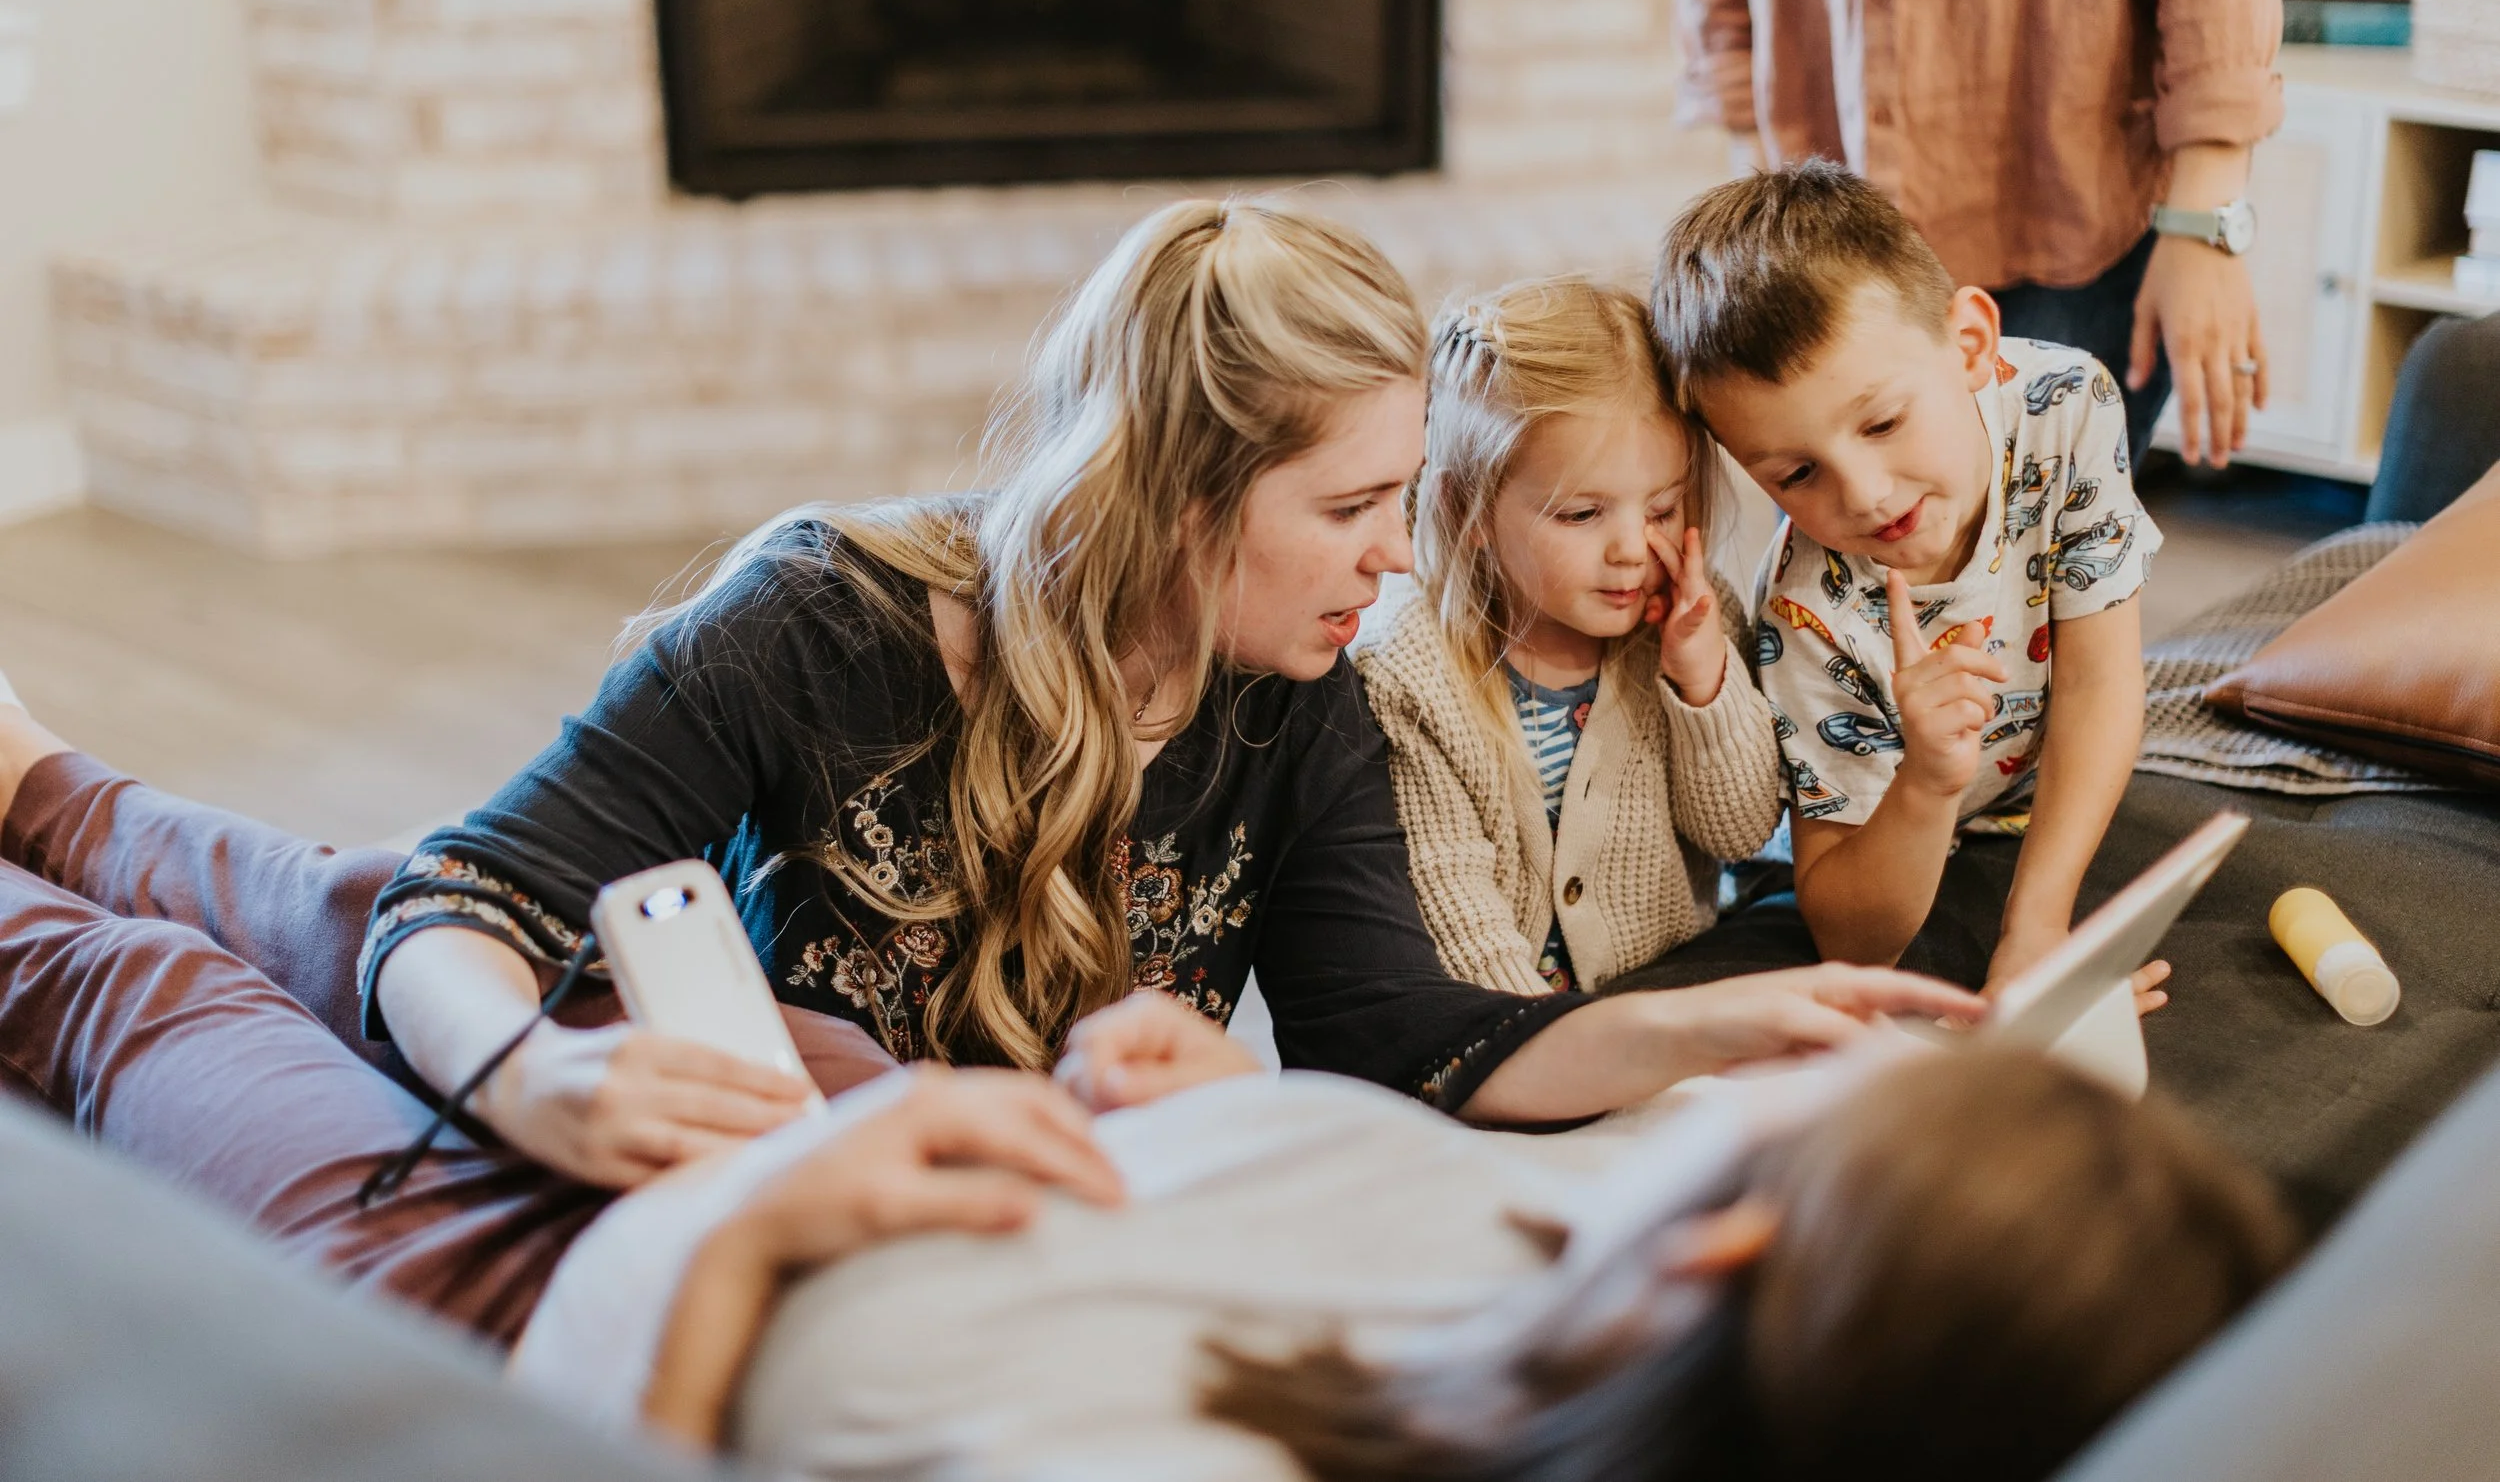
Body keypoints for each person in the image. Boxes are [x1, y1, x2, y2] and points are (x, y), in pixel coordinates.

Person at [0, 689, 1982, 1350]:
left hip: (575, 1288)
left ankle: (46, 828)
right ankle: (55, 784)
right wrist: (1188, 1103)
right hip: (868, 1113)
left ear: (1733, 1242)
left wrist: (755, 1228)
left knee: (135, 994)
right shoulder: (1544, 1268)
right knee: (387, 901)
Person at [515, 994, 2294, 1481]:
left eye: (1855, 1090)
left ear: (1721, 1259)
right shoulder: (1647, 1342)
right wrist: (1242, 1108)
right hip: (971, 1136)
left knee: (237, 956)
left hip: (624, 1306)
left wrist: (747, 1250)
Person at [1654, 162, 2167, 999]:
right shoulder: (1807, 612)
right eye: (1796, 474)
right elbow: (1848, 938)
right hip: (1891, 838)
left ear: (1969, 343)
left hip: (2030, 799)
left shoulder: (2068, 405)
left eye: (1884, 421)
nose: (1864, 495)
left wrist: (2036, 927)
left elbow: (2101, 676)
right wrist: (1928, 776)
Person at [1637, 0, 2283, 472]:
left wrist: (2206, 224)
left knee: (2038, 552)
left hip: (2071, 239)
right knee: (1849, 559)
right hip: (1837, 255)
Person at [1357, 277, 1784, 996]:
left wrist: (1704, 681)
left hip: (1670, 995)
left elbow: (1741, 832)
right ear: (1472, 510)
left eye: (1661, 507)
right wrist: (1552, 1053)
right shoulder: (1409, 668)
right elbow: (1455, 910)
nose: (1630, 549)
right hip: (1507, 1026)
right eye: (1582, 514)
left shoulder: (1689, 623)